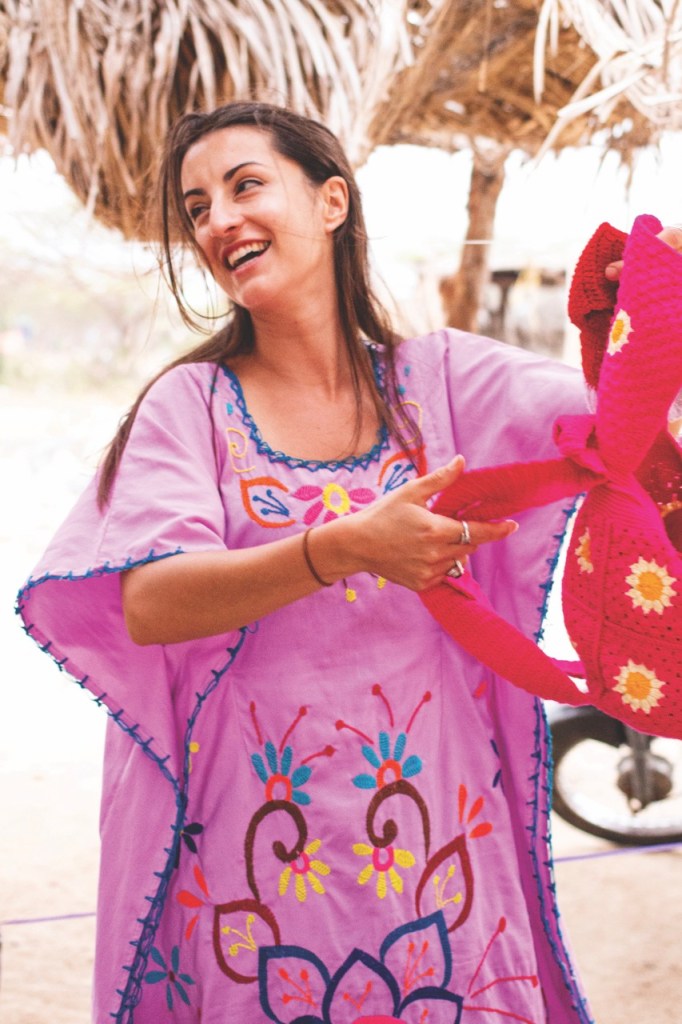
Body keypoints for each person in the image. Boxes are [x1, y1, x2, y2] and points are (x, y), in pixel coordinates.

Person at [18, 101, 674, 1024]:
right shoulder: (190, 405)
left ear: (332, 202)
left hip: (444, 850)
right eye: (198, 208)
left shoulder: (443, 380)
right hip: (253, 862)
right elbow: (151, 603)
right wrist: (341, 547)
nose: (219, 221)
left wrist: (655, 294)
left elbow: (615, 432)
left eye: (245, 186)